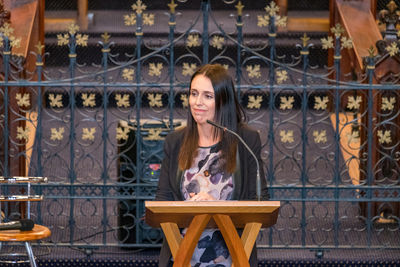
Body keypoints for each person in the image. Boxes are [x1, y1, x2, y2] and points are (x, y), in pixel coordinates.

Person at [155, 64, 269, 267]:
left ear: (223, 100)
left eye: (208, 96)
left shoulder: (245, 140)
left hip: (232, 258)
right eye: (194, 93)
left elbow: (259, 202)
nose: (197, 102)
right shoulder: (175, 141)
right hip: (182, 256)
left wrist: (215, 206)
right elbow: (162, 202)